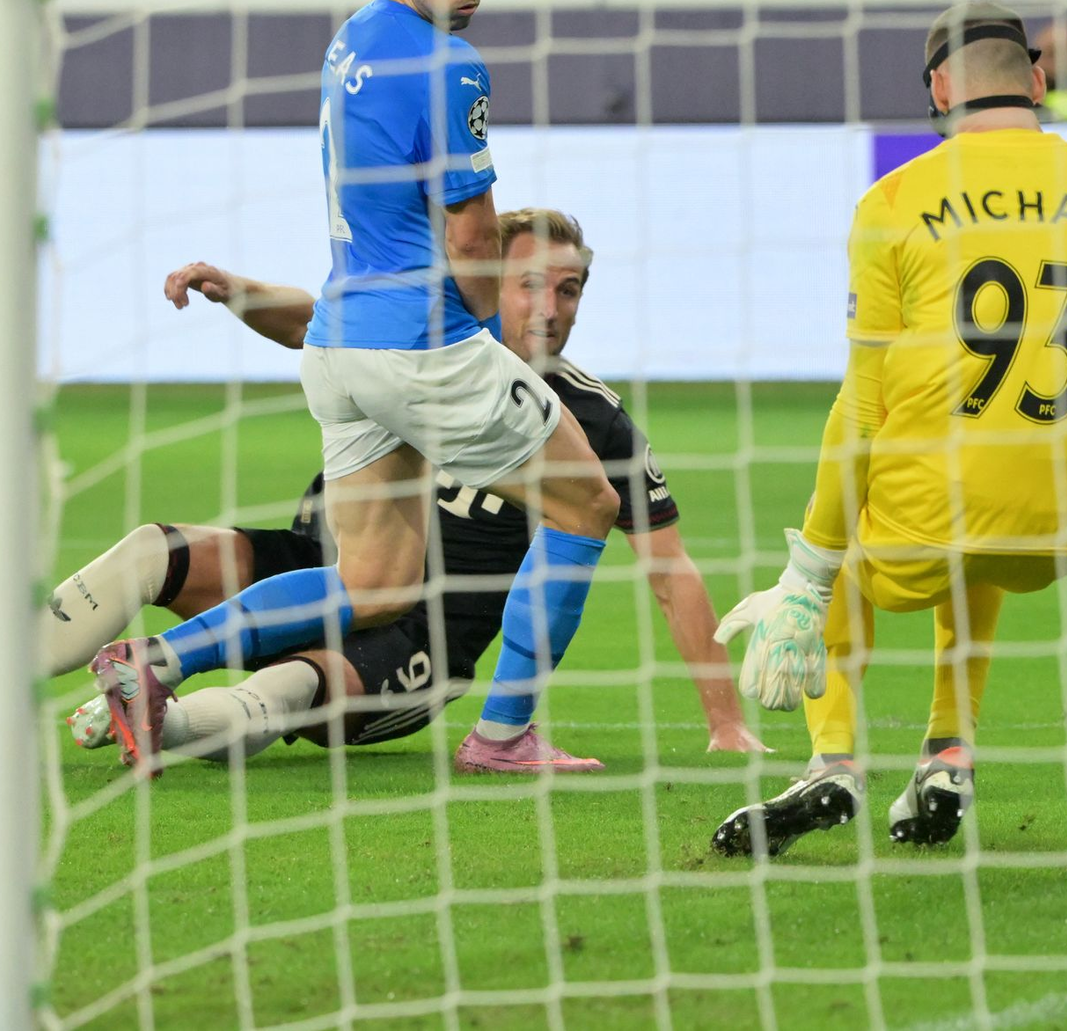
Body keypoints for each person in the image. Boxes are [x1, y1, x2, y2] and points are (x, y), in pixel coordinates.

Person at [89, 0, 622, 780]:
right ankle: (504, 734)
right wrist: (489, 333)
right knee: (589, 503)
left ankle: (151, 663)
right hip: (422, 346)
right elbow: (469, 235)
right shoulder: (452, 65)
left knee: (375, 582)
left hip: (339, 346)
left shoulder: (352, 42)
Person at [59, 210, 766, 766]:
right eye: (527, 284)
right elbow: (316, 320)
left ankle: (152, 714)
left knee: (293, 684)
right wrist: (236, 291)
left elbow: (671, 572)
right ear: (486, 279)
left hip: (415, 644)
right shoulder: (422, 344)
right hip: (318, 571)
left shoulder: (596, 421)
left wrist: (727, 721)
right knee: (155, 550)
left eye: (569, 287)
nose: (550, 306)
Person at [711, 1, 1067, 857]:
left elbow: (863, 404)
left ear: (941, 89)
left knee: (857, 521)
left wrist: (807, 572)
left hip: (929, 530)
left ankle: (830, 760)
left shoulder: (896, 201)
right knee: (986, 485)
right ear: (1036, 80)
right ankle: (948, 750)